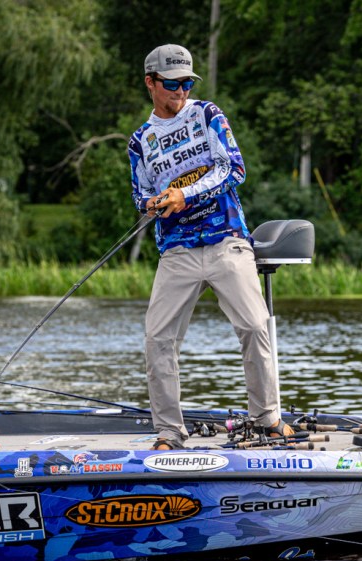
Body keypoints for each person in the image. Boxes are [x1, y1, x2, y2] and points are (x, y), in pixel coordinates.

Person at [127, 44, 293, 450]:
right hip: (176, 251)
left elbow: (234, 168)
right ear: (150, 83)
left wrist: (185, 194)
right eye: (172, 84)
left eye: (186, 83)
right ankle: (169, 432)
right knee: (158, 340)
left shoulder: (207, 115)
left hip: (226, 241)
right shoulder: (140, 141)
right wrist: (151, 203)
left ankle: (267, 419)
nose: (181, 91)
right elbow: (139, 194)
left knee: (254, 326)